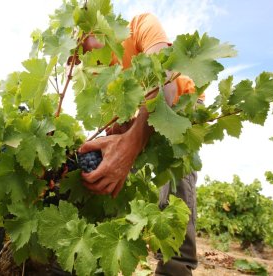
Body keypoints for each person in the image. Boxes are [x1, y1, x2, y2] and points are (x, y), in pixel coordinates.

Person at [75, 13, 201, 275]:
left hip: (182, 106)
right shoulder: (98, 74)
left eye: (73, 55)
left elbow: (165, 85)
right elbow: (117, 128)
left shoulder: (140, 25)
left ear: (86, 34)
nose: (73, 63)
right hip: (141, 118)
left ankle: (176, 266)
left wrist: (130, 145)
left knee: (175, 180)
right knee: (116, 173)